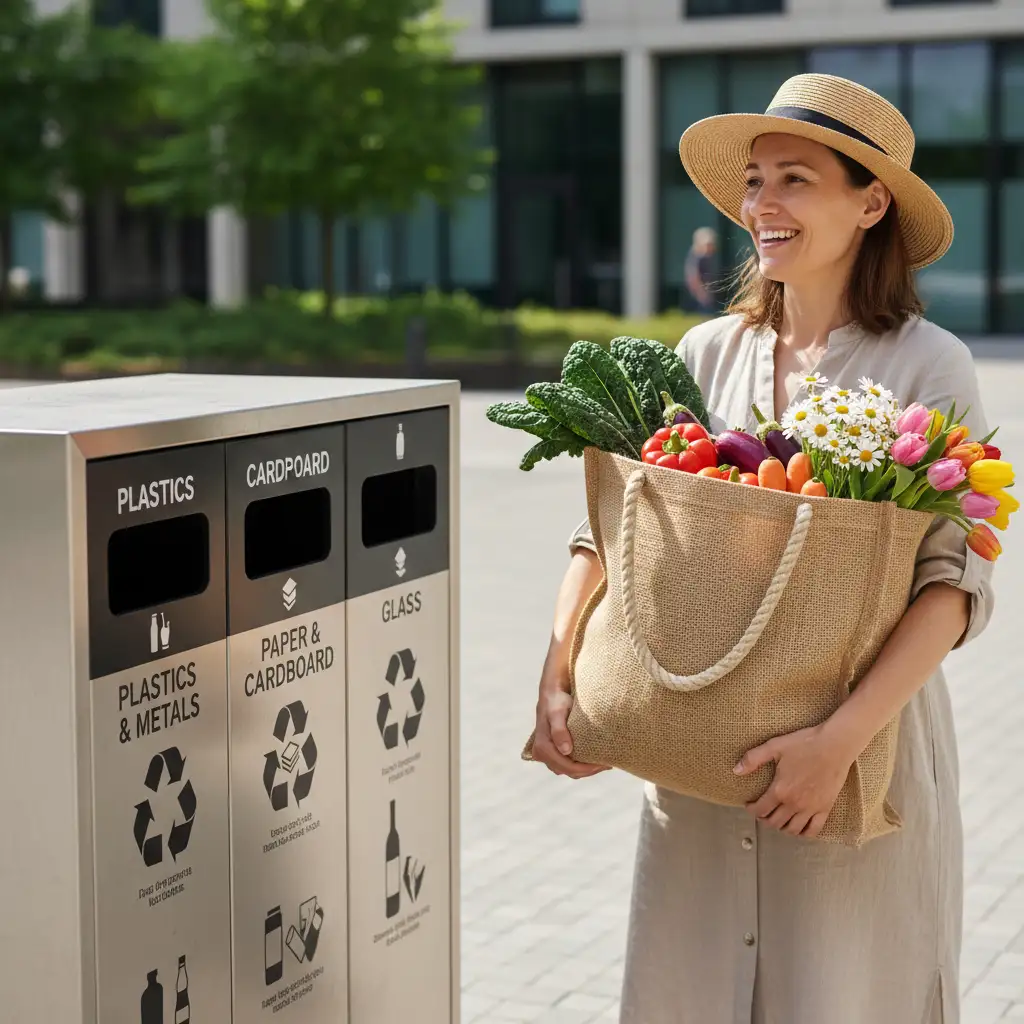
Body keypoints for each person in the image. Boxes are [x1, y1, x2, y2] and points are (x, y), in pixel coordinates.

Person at [530, 73, 994, 1023]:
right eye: (753, 181)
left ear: (871, 204)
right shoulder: (704, 354)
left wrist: (837, 742)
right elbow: (612, 528)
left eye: (795, 179)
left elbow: (955, 584)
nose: (762, 205)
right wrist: (560, 670)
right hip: (697, 757)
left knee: (847, 995)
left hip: (855, 761)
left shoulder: (927, 363)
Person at [682, 226, 718, 313]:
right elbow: (693, 277)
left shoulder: (706, 257)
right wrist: (702, 293)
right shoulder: (697, 257)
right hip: (698, 296)